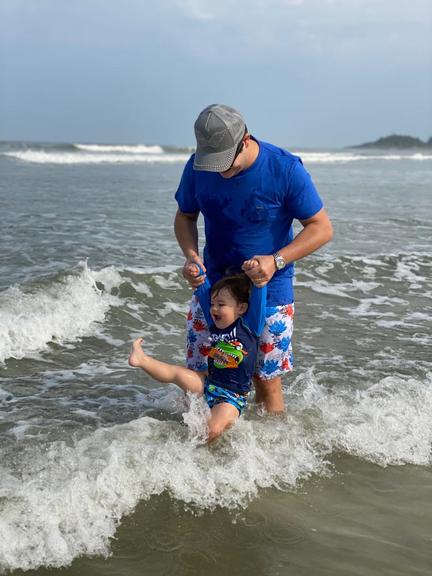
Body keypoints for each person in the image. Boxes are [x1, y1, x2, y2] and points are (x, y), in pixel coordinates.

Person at [174, 104, 333, 413]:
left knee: (265, 380)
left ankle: (268, 455)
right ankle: (197, 450)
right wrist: (191, 256)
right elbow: (185, 216)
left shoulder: (285, 169)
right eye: (213, 162)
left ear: (244, 140)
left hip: (269, 290)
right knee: (200, 376)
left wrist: (277, 260)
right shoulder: (196, 167)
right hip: (215, 291)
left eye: (225, 161)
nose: (220, 170)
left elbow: (322, 228)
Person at [129, 265, 266, 442]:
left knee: (211, 430)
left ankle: (198, 456)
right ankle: (141, 359)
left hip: (231, 397)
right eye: (213, 304)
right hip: (207, 384)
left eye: (221, 305)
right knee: (176, 373)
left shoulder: (250, 327)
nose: (214, 309)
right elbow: (203, 291)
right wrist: (197, 272)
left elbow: (259, 298)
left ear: (241, 308)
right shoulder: (215, 325)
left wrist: (259, 282)